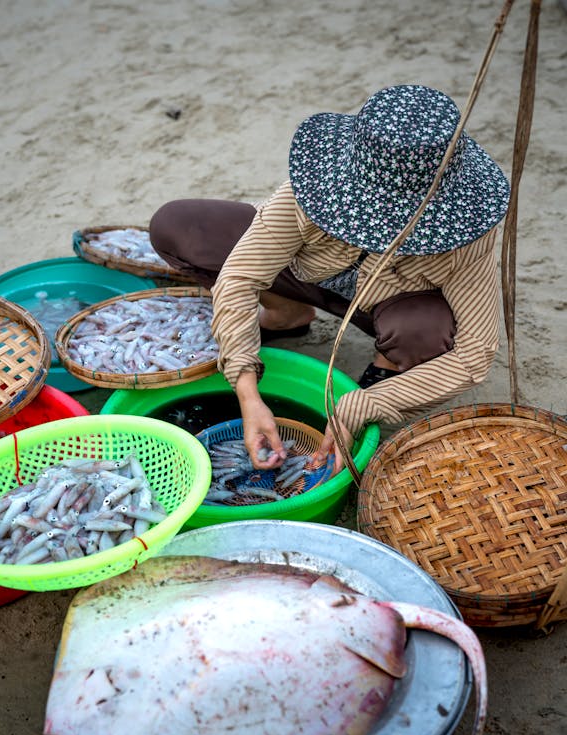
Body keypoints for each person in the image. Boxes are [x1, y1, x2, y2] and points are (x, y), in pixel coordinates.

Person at [149, 84, 510, 473]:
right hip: (302, 275)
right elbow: (240, 277)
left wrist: (360, 406)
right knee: (177, 225)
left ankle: (387, 362)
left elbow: (474, 355)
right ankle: (288, 314)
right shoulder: (319, 187)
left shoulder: (463, 234)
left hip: (389, 306)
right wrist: (247, 392)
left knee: (426, 328)